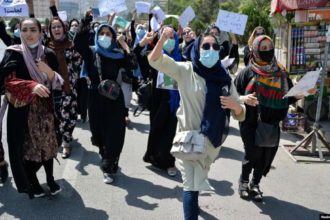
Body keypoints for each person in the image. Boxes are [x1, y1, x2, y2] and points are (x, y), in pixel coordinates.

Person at [148, 27, 245, 220]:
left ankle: (194, 204)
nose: (210, 49)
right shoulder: (186, 70)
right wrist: (162, 39)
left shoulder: (224, 78)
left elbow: (240, 113)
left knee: (198, 179)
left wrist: (237, 106)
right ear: (197, 49)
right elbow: (154, 60)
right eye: (205, 46)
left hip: (210, 143)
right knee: (190, 185)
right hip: (188, 140)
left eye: (214, 46)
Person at [234, 35, 315, 202]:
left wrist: (305, 92)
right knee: (252, 154)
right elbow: (232, 95)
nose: (267, 51)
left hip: (271, 124)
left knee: (265, 156)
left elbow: (289, 96)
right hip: (250, 122)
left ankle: (255, 184)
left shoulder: (281, 73)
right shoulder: (246, 73)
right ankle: (243, 182)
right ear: (255, 50)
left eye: (269, 47)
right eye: (263, 48)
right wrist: (243, 99)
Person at [0, 18, 64, 198]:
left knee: (49, 145)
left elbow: (58, 81)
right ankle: (32, 181)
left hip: (45, 109)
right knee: (29, 149)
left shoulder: (48, 54)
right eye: (25, 29)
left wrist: (48, 72)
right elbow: (7, 81)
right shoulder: (13, 53)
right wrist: (31, 85)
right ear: (20, 32)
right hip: (23, 111)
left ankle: (50, 179)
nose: (28, 33)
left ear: (41, 32)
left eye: (33, 29)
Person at [74, 10, 135, 184]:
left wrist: (125, 47)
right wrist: (86, 21)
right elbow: (78, 43)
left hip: (114, 99)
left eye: (109, 34)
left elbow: (132, 64)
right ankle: (105, 156)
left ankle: (109, 164)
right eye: (102, 33)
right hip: (95, 99)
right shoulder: (91, 52)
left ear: (114, 37)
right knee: (99, 133)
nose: (105, 36)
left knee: (115, 133)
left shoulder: (117, 54)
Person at [143, 27, 181, 177]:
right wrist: (159, 40)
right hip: (158, 100)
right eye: (166, 37)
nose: (169, 41)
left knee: (171, 133)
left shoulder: (182, 58)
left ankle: (169, 162)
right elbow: (144, 58)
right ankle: (154, 157)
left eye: (172, 38)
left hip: (174, 102)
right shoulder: (155, 56)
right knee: (156, 130)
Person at [47, 16, 82, 159]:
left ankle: (66, 143)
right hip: (52, 87)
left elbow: (78, 61)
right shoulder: (46, 46)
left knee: (68, 115)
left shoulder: (71, 45)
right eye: (53, 27)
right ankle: (61, 139)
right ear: (50, 30)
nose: (56, 29)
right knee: (57, 116)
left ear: (64, 28)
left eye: (59, 26)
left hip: (68, 87)